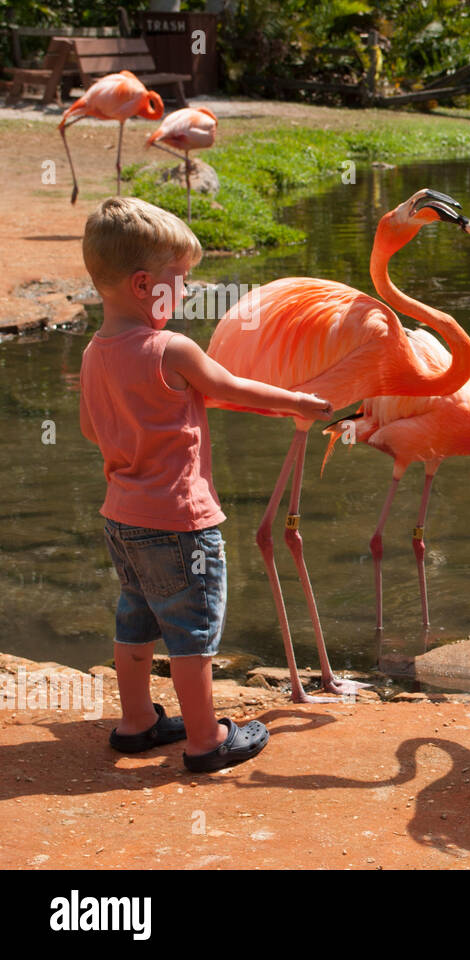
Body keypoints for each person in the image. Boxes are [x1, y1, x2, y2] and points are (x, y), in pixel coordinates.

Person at [78, 196, 332, 772]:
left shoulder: (94, 352)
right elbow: (233, 387)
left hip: (122, 517)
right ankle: (204, 740)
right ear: (145, 285)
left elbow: (93, 428)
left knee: (135, 618)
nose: (189, 292)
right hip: (179, 523)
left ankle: (137, 721)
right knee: (192, 629)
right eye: (183, 280)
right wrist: (300, 401)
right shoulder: (173, 349)